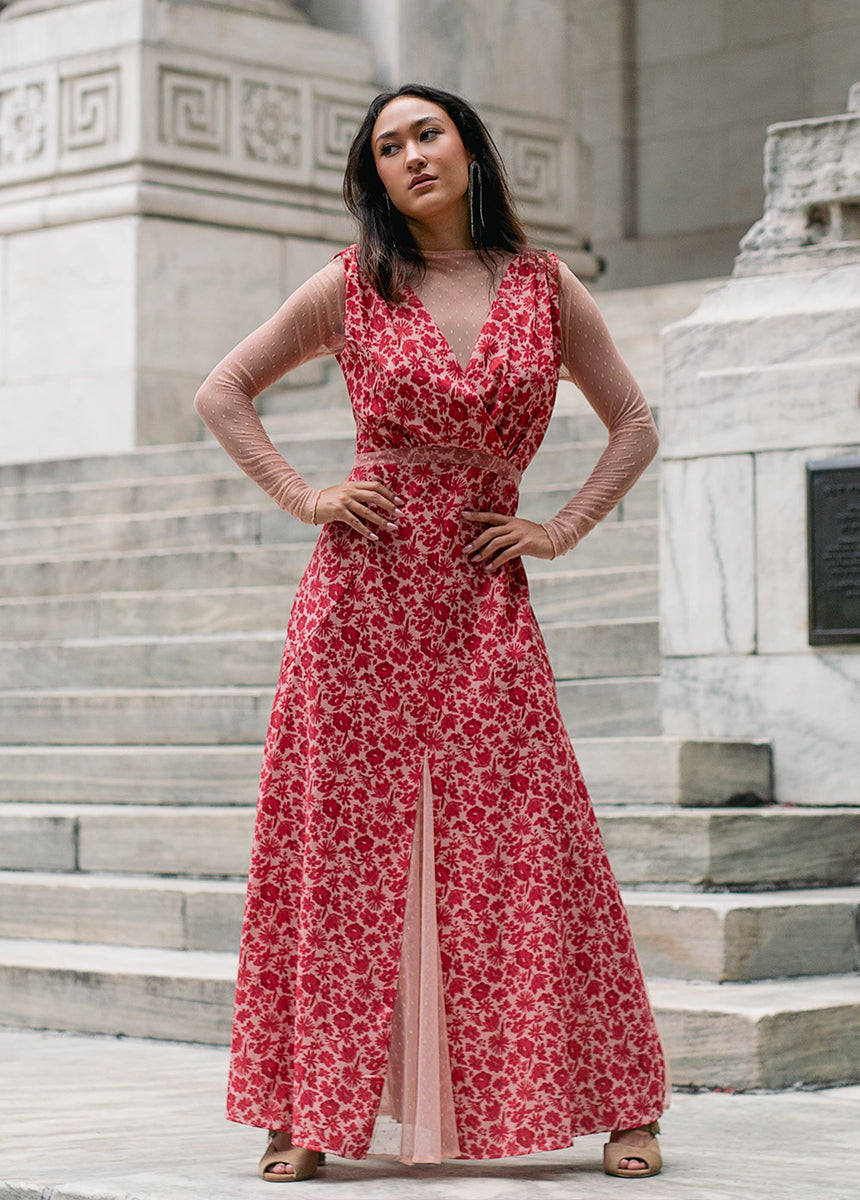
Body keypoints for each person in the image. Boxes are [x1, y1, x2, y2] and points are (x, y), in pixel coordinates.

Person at [194, 83, 667, 1183]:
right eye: (388, 146)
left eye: (427, 133)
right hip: (357, 605)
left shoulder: (546, 288)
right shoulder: (353, 282)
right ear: (376, 175)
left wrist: (556, 529)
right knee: (338, 854)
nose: (410, 154)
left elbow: (633, 424)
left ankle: (620, 1102)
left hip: (479, 601)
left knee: (531, 840)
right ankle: (304, 1110)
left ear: (466, 150)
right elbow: (224, 392)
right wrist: (305, 496)